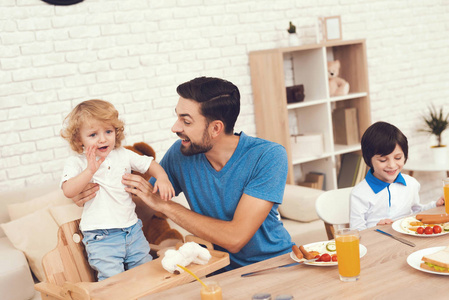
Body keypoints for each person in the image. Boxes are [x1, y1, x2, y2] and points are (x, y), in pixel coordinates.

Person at [73, 77, 294, 272]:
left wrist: (166, 205)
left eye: (186, 121)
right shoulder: (180, 154)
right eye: (178, 117)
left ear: (216, 128)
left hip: (272, 265)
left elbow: (235, 238)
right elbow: (144, 206)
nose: (175, 127)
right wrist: (97, 192)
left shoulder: (268, 156)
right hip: (216, 269)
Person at [60, 99, 174, 281]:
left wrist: (162, 177)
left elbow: (149, 164)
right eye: (93, 135)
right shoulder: (77, 162)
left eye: (108, 131)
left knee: (146, 273)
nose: (103, 138)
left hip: (132, 230)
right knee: (113, 281)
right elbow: (68, 190)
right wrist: (90, 170)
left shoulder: (123, 155)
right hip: (101, 237)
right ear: (78, 139)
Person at [350, 121, 445, 231]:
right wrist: (374, 229)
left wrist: (435, 205)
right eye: (383, 160)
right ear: (368, 160)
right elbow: (355, 232)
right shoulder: (359, 194)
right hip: (379, 244)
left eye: (398, 158)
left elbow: (416, 212)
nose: (392, 165)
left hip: (406, 239)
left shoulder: (411, 183)